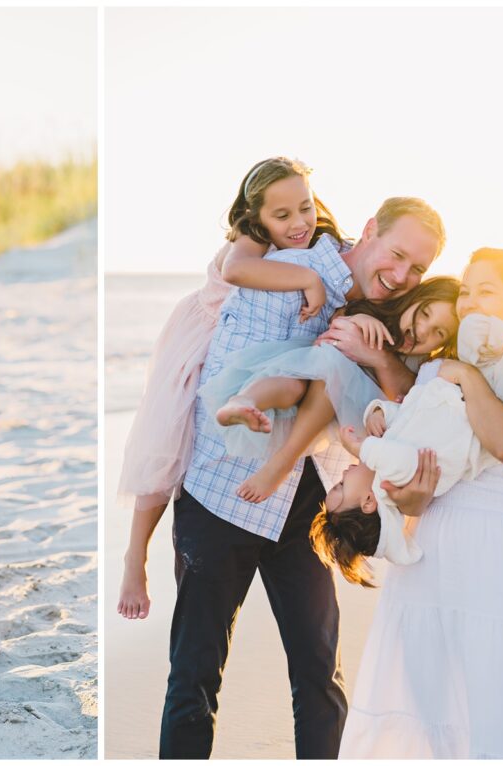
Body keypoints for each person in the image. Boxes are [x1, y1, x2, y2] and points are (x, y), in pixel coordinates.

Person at [160, 196, 445, 759]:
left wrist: (378, 356)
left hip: (314, 502)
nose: (402, 275)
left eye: (418, 268)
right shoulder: (296, 259)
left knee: (319, 675)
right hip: (222, 490)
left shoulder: (406, 317)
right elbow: (231, 304)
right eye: (397, 254)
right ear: (369, 231)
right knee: (193, 677)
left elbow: (414, 402)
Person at [338, 248, 503, 758]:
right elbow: (416, 471)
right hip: (432, 557)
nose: (470, 300)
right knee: (426, 707)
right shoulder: (436, 376)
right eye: (466, 289)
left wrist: (469, 376)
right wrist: (410, 495)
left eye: (487, 291)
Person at [117, 156, 348, 620]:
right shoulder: (251, 239)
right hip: (202, 340)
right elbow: (240, 272)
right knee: (168, 446)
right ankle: (134, 557)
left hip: (247, 350)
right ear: (254, 216)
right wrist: (309, 279)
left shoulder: (313, 239)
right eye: (281, 215)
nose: (298, 223)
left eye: (305, 207)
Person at [309, 304, 503, 582]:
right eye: (340, 485)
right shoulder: (394, 479)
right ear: (369, 502)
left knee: (473, 328)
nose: (344, 473)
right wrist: (362, 449)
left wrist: (379, 412)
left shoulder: (386, 450)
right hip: (489, 409)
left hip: (463, 392)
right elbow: (405, 458)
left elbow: (410, 413)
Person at [201, 276, 460, 502]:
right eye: (425, 313)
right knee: (292, 382)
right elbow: (340, 321)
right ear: (414, 299)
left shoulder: (424, 367)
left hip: (361, 420)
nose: (422, 330)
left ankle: (283, 459)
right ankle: (243, 400)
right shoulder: (374, 315)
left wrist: (378, 357)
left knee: (332, 365)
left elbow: (404, 397)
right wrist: (357, 319)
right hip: (313, 386)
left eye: (438, 332)